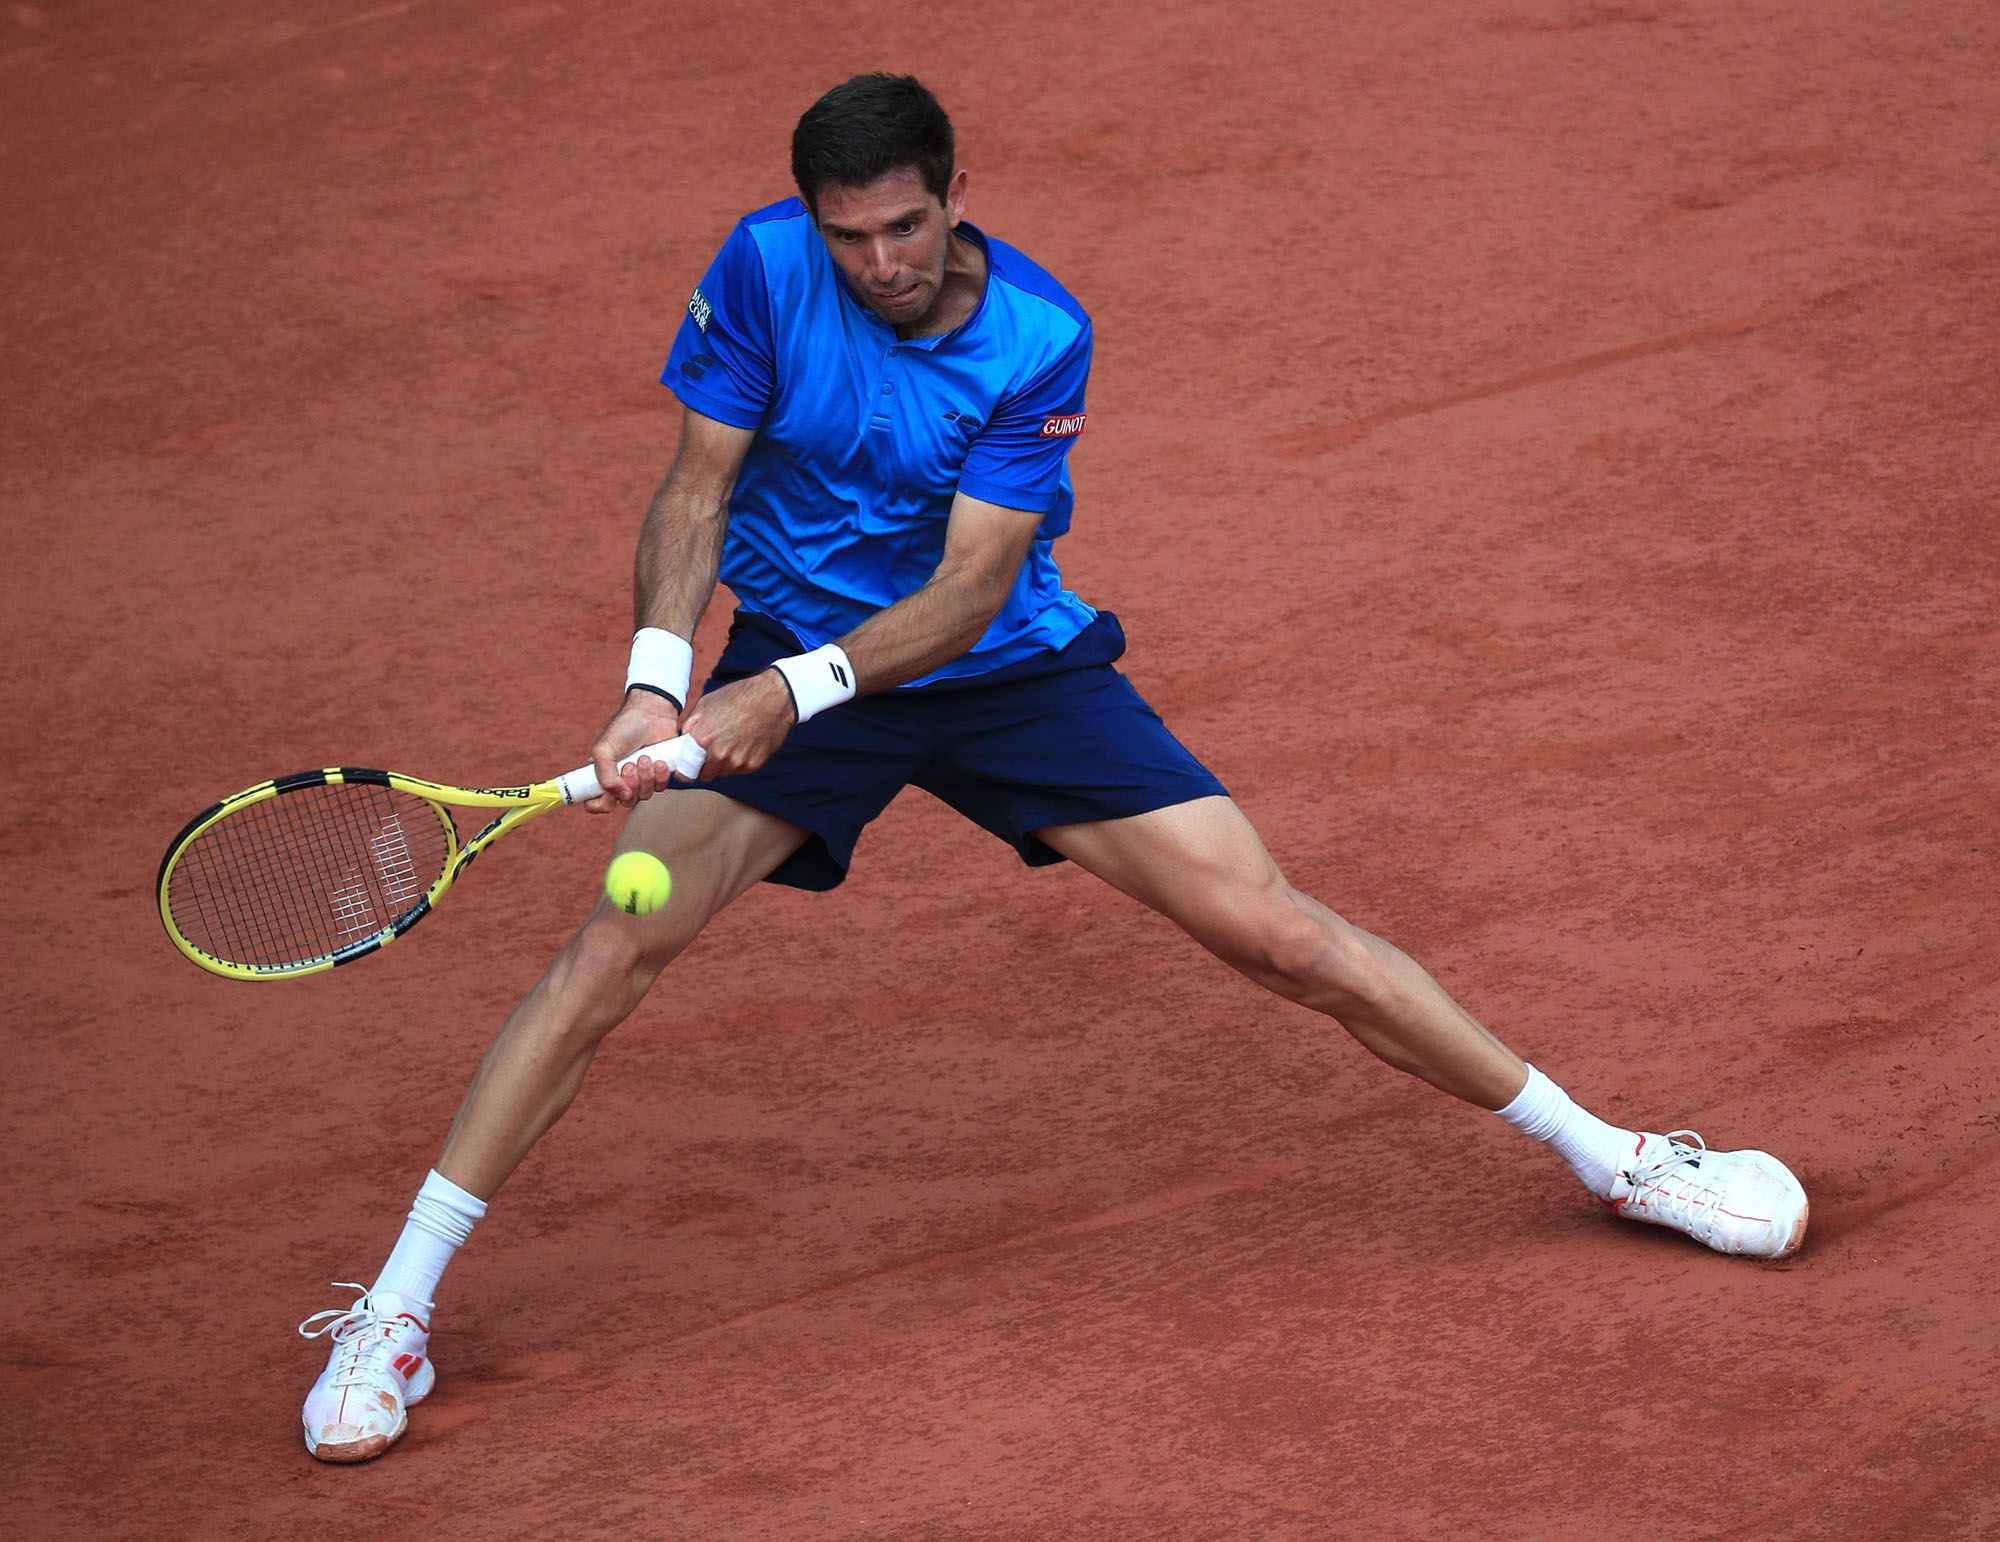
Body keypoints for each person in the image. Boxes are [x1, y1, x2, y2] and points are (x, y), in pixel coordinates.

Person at [297, 73, 1808, 1463]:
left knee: (1283, 933)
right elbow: (696, 484)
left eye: (904, 226)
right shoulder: (762, 270)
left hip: (1001, 671)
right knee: (607, 953)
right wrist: (652, 678)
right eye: (849, 237)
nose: (879, 263)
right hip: (798, 657)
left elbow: (964, 594)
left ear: (956, 193)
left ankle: (1616, 1158)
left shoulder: (1037, 331)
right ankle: (398, 1309)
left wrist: (778, 690)